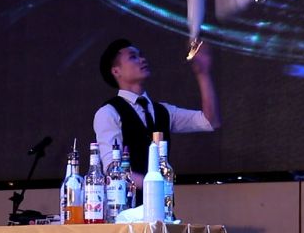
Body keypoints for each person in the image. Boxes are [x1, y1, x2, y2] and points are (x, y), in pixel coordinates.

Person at [93, 38, 222, 192]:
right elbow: (112, 170)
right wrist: (155, 187)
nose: (142, 59)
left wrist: (203, 74)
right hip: (128, 206)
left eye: (141, 55)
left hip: (162, 204)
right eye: (133, 57)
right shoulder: (109, 113)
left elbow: (210, 121)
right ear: (116, 71)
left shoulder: (164, 111)